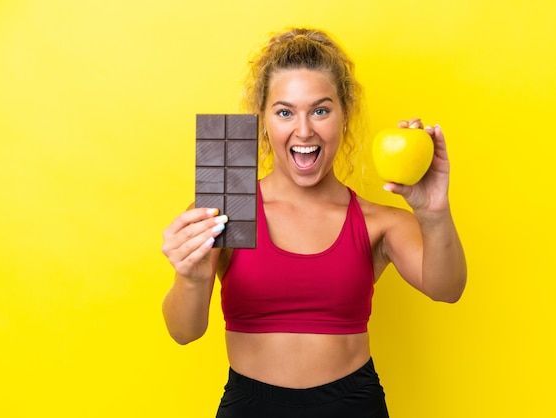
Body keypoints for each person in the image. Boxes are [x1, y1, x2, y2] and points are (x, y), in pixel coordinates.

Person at [161, 27, 467, 418]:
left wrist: (433, 212)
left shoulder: (378, 221)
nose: (303, 131)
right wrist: (191, 276)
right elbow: (183, 332)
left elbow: (447, 288)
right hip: (249, 406)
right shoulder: (225, 210)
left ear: (344, 116)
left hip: (353, 406)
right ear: (264, 121)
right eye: (285, 111)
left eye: (320, 110)